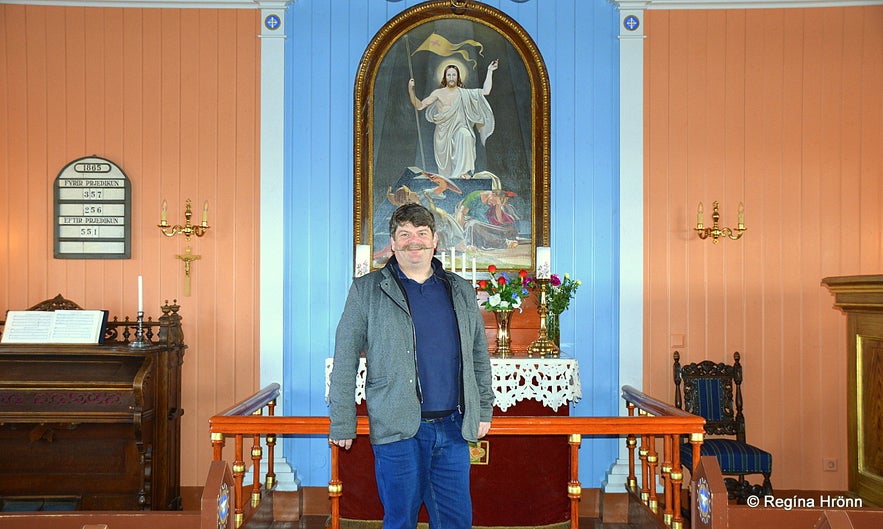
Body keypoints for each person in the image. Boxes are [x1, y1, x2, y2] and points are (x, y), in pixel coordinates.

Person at [329, 203, 494, 529]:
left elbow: (478, 355)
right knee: (401, 520)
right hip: (398, 427)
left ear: (435, 241)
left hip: (454, 428)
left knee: (456, 521)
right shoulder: (368, 290)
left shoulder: (459, 289)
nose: (413, 241)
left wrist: (483, 410)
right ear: (392, 242)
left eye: (421, 233)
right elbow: (345, 357)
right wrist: (342, 421)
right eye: (404, 234)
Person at [409, 61, 498, 180]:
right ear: (445, 77)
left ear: (458, 77)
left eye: (454, 75)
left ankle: (463, 171)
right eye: (449, 75)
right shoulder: (438, 93)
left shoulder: (464, 93)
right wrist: (411, 90)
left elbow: (485, 91)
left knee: (465, 134)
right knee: (446, 172)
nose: (451, 78)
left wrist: (490, 71)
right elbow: (419, 106)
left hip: (459, 128)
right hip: (443, 134)